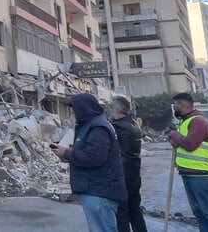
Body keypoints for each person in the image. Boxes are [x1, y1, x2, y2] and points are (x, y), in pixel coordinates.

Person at [52, 92, 127, 232]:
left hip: (99, 192)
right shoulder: (91, 125)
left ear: (83, 108)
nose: (72, 112)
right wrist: (68, 155)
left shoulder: (98, 127)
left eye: (74, 109)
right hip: (96, 190)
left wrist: (67, 154)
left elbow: (94, 158)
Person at [167, 92, 208, 232]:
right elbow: (181, 143)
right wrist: (173, 139)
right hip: (189, 173)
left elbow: (190, 144)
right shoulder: (186, 121)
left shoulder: (198, 120)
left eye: (175, 104)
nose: (174, 108)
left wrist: (174, 134)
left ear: (181, 105)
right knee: (199, 213)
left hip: (201, 175)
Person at [110, 96, 147, 232]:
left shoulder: (118, 127)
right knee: (135, 212)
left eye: (111, 107)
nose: (110, 111)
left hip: (122, 176)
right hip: (134, 175)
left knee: (122, 214)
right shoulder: (134, 125)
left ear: (118, 108)